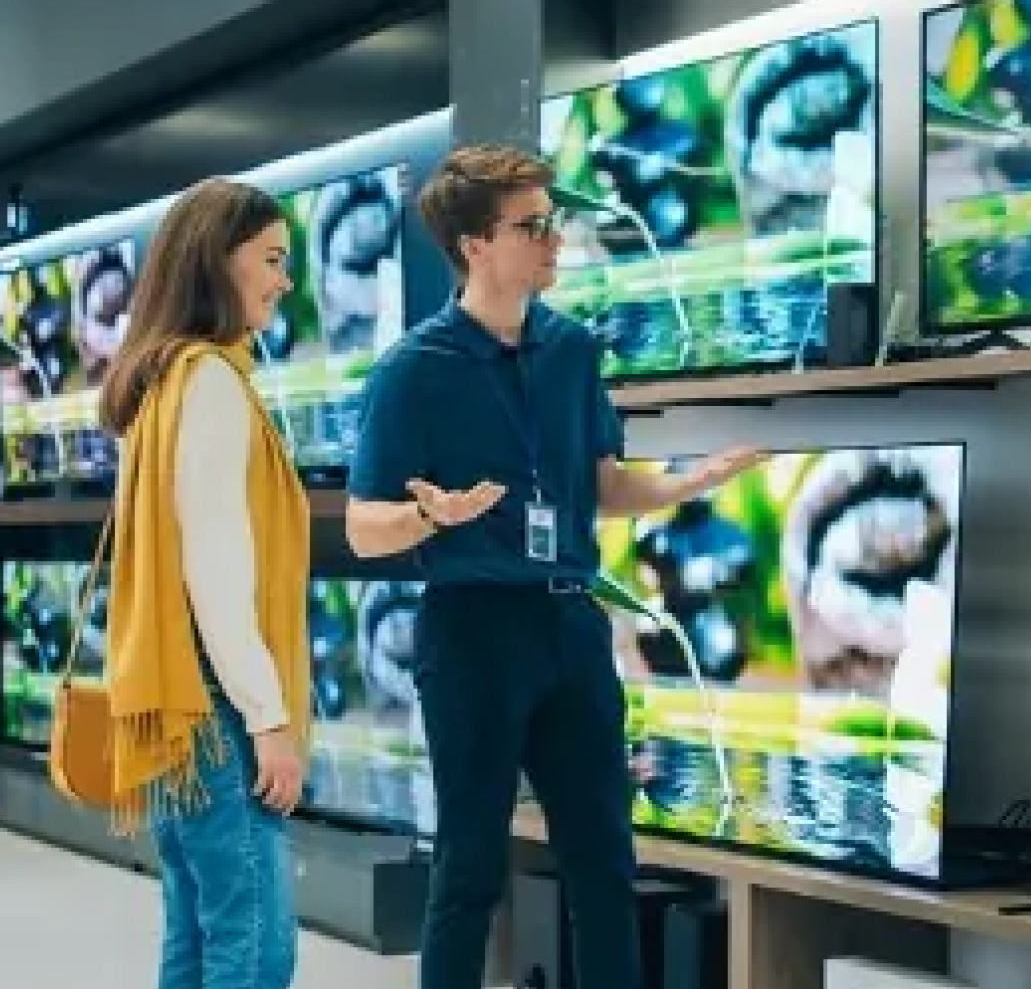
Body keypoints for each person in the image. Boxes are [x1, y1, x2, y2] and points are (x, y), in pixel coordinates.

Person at [345, 143, 760, 989]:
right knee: (467, 871)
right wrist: (429, 512)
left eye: (552, 221)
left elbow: (599, 484)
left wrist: (683, 484)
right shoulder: (411, 373)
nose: (554, 240)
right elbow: (362, 529)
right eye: (531, 226)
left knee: (605, 863)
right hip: (472, 633)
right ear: (474, 246)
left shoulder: (572, 351)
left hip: (571, 625)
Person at [98, 178, 312, 989]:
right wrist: (268, 719)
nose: (283, 279)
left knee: (199, 929)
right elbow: (217, 570)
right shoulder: (214, 381)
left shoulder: (161, 379)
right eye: (270, 258)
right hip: (214, 700)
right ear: (213, 265)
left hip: (170, 702)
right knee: (256, 943)